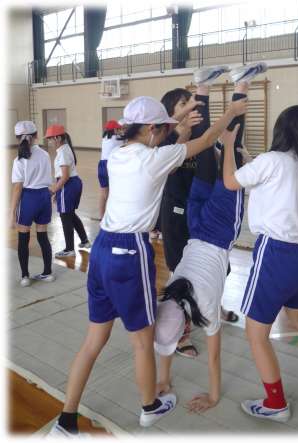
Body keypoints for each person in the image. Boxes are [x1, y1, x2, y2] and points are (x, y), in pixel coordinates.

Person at [48, 95, 247, 436]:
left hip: (101, 251)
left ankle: (66, 420)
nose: (167, 134)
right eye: (163, 129)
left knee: (93, 341)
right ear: (152, 129)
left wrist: (177, 121)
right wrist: (230, 113)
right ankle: (150, 407)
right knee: (143, 341)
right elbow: (204, 141)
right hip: (129, 253)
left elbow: (165, 146)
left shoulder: (117, 154)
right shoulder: (153, 159)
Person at [154, 63, 262, 413]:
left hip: (216, 232)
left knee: (231, 144)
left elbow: (213, 360)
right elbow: (164, 343)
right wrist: (162, 378)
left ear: (187, 327)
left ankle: (242, 84)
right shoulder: (170, 291)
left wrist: (214, 397)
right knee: (206, 152)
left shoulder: (205, 308)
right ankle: (204, 88)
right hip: (196, 223)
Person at [223, 104, 298, 423]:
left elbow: (231, 182)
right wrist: (250, 159)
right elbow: (271, 178)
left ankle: (276, 404)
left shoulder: (271, 161)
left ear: (282, 130)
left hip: (275, 254)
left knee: (255, 333)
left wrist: (229, 147)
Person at [159, 70, 244, 359]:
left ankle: (213, 306)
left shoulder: (199, 133)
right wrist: (183, 133)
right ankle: (180, 334)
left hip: (201, 205)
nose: (192, 108)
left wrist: (229, 155)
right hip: (177, 211)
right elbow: (169, 164)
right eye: (185, 104)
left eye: (194, 102)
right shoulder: (168, 139)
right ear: (172, 113)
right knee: (179, 270)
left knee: (216, 266)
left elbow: (212, 146)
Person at [10, 121, 55, 286]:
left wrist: (11, 213)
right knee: (43, 236)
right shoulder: (45, 155)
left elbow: (17, 188)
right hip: (44, 197)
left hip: (29, 198)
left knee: (23, 238)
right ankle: (47, 273)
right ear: (36, 135)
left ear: (17, 138)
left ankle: (25, 276)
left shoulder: (19, 160)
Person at [45, 125, 91, 258]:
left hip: (68, 184)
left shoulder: (63, 152)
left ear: (58, 138)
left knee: (65, 216)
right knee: (70, 214)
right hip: (70, 184)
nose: (49, 141)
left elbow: (65, 176)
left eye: (50, 138)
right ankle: (84, 241)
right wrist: (58, 192)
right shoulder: (64, 149)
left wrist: (54, 190)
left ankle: (69, 249)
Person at [98, 120, 124, 219]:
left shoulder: (105, 138)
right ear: (114, 130)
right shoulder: (117, 139)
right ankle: (112, 215)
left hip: (101, 165)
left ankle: (102, 216)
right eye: (118, 129)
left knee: (103, 193)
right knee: (113, 192)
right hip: (110, 165)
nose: (120, 130)